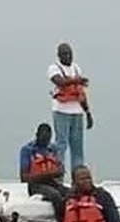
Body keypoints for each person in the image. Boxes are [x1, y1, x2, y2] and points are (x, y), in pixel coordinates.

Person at [48, 42, 93, 172]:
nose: (68, 56)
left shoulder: (76, 68)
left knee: (77, 146)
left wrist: (88, 112)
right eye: (65, 54)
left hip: (77, 112)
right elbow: (59, 81)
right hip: (61, 110)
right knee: (61, 144)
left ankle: (77, 177)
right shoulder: (54, 68)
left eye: (70, 54)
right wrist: (76, 80)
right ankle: (59, 176)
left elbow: (81, 92)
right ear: (59, 55)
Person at [19, 122, 66, 222]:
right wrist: (47, 175)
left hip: (52, 182)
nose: (46, 142)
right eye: (43, 139)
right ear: (37, 135)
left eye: (48, 139)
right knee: (55, 196)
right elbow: (24, 178)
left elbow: (61, 169)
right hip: (35, 185)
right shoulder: (27, 150)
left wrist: (57, 172)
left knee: (71, 193)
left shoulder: (52, 149)